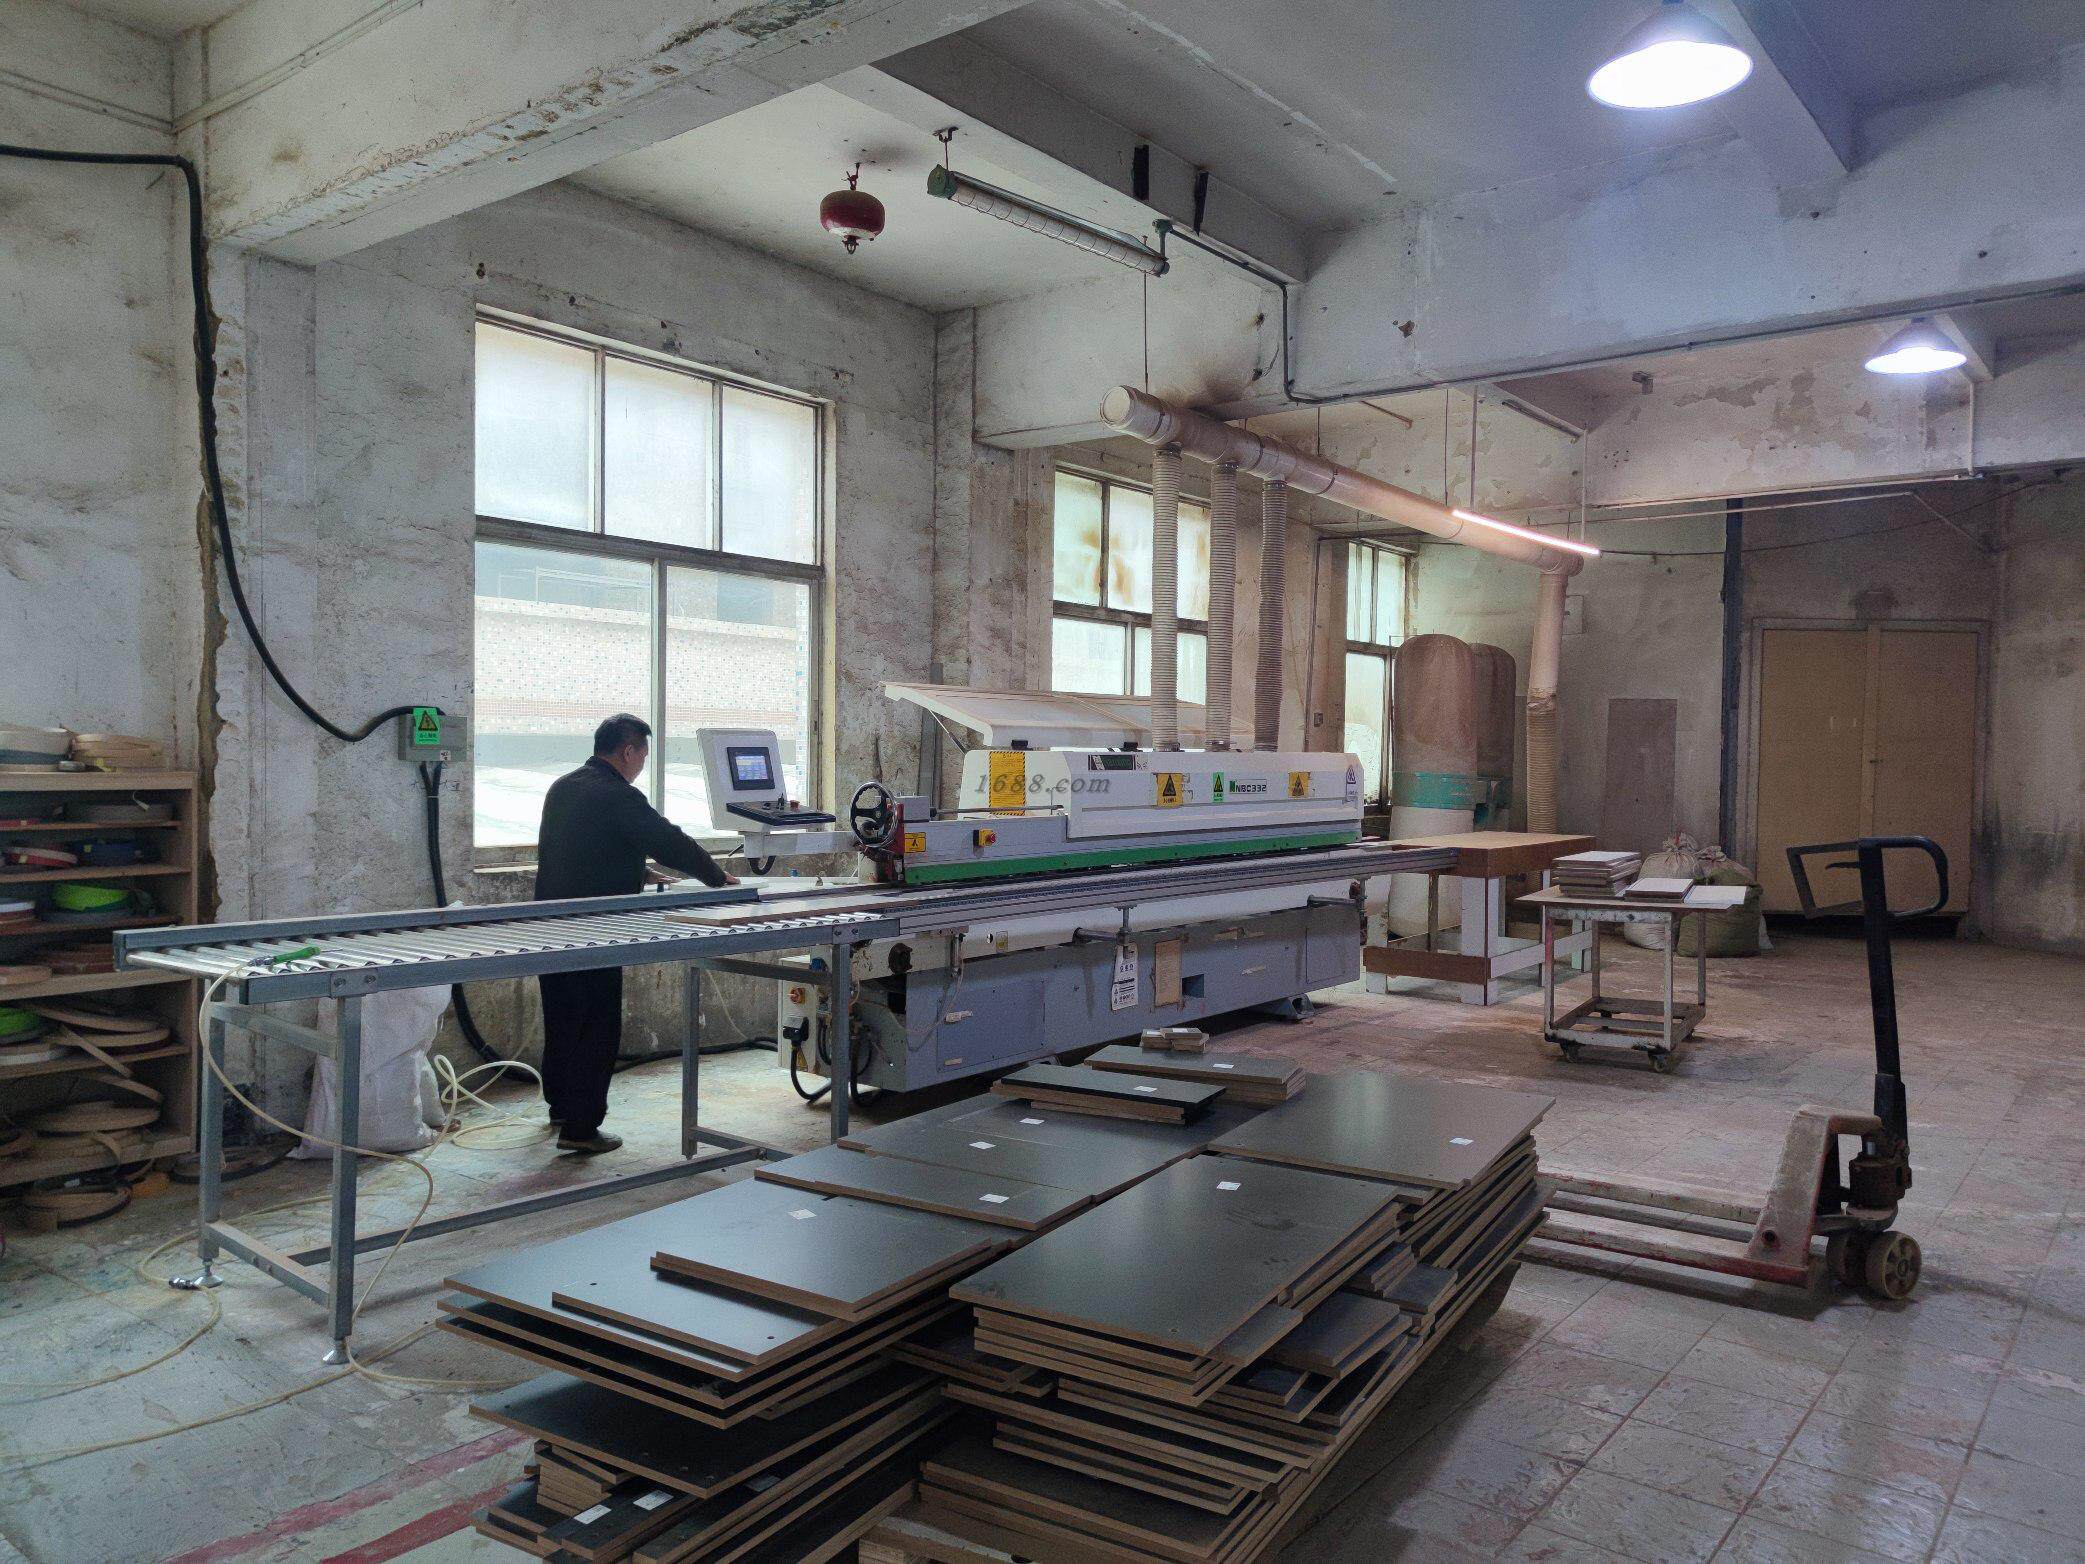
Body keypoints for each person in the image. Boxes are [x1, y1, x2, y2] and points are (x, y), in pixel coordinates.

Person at [533, 713, 736, 1153]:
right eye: (643, 754)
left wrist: (637, 871)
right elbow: (668, 840)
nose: (642, 763)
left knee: (563, 1019)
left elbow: (574, 850)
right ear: (628, 751)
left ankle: (561, 1107)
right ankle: (581, 1130)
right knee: (596, 1026)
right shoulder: (619, 795)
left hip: (551, 927)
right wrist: (717, 876)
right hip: (596, 930)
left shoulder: (563, 787)